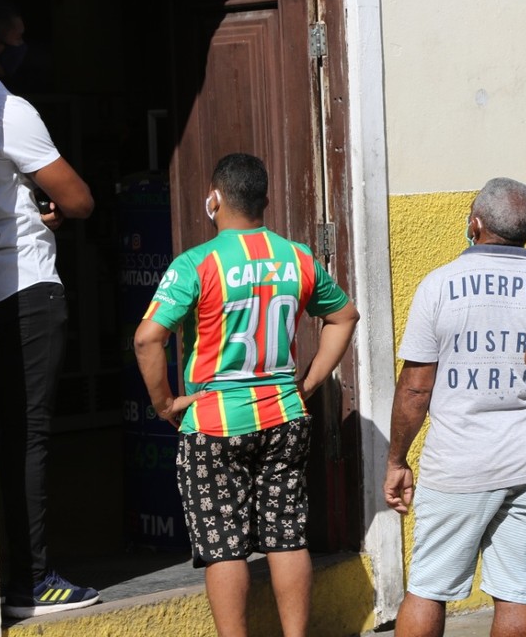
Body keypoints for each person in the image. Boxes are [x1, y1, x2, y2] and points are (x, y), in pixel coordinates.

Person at [133, 153, 359, 637]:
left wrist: (165, 404)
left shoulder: (196, 263)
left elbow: (147, 338)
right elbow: (344, 316)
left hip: (214, 422)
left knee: (223, 548)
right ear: (266, 200)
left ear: (214, 199)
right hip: (285, 415)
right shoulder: (298, 257)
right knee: (286, 537)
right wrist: (311, 381)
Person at [384, 178, 526, 637]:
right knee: (518, 593)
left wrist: (396, 459)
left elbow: (415, 390)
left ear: (475, 224)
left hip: (459, 467)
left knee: (428, 585)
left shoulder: (439, 286)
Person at [0, 0, 99, 618]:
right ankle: (34, 579)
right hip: (27, 284)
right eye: (19, 36)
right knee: (32, 436)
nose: (27, 49)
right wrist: (49, 207)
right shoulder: (4, 104)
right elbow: (77, 200)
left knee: (1, 433)